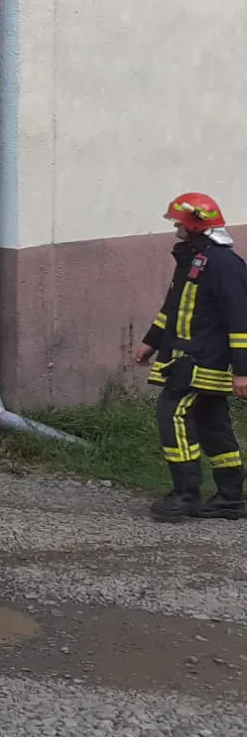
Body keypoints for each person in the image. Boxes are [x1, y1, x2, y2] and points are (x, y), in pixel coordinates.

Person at [137, 193, 247, 522]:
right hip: (189, 358)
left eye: (180, 224)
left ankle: (185, 494)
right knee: (212, 424)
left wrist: (243, 371)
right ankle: (230, 498)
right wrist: (151, 341)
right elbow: (173, 308)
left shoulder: (224, 265)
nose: (176, 229)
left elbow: (239, 320)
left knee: (172, 416)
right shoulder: (194, 260)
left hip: (202, 362)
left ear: (196, 226)